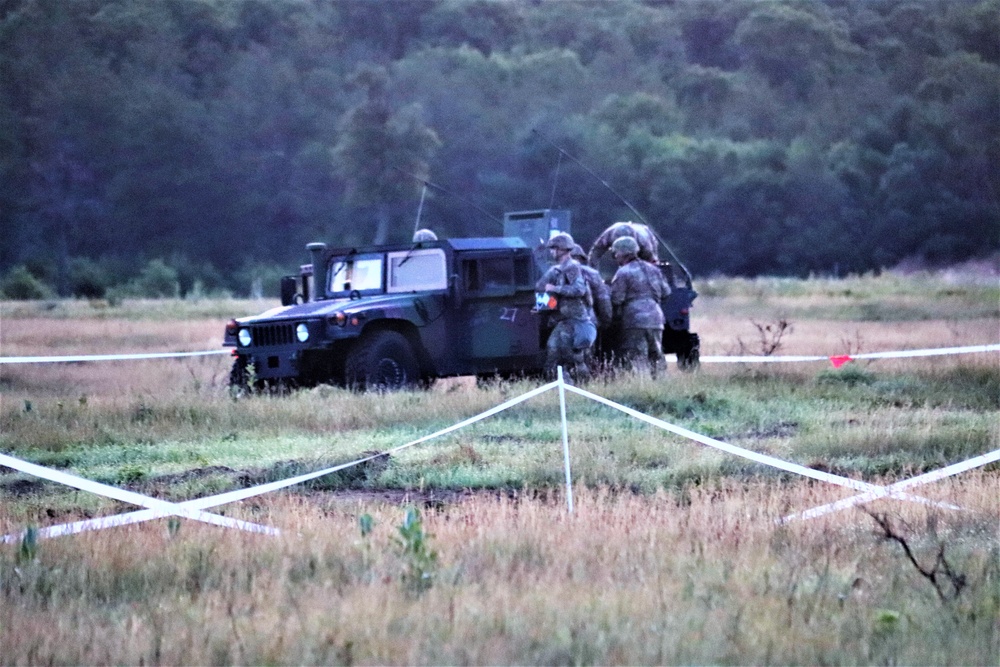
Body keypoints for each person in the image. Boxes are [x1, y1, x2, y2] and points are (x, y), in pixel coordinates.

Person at [535, 232, 595, 382]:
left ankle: (582, 388)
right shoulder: (557, 269)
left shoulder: (572, 267)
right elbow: (543, 288)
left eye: (554, 248)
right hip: (564, 321)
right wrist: (542, 307)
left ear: (562, 249)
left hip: (574, 321)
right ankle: (562, 389)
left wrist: (556, 289)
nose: (551, 252)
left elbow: (579, 290)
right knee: (553, 353)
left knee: (572, 358)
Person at [609, 236, 671, 378]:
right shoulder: (654, 269)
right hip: (656, 318)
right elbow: (666, 292)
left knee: (637, 357)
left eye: (616, 253)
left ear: (623, 253)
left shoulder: (623, 272)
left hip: (635, 320)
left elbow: (616, 299)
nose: (615, 256)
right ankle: (662, 387)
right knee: (657, 356)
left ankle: (642, 389)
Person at [571, 243, 612, 330]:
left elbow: (546, 303)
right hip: (587, 322)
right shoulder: (592, 274)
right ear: (581, 258)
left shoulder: (555, 272)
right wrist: (605, 323)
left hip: (561, 325)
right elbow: (603, 300)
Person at [588, 221, 658, 266]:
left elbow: (652, 263)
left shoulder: (644, 243)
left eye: (626, 256)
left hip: (647, 236)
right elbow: (595, 253)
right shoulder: (609, 235)